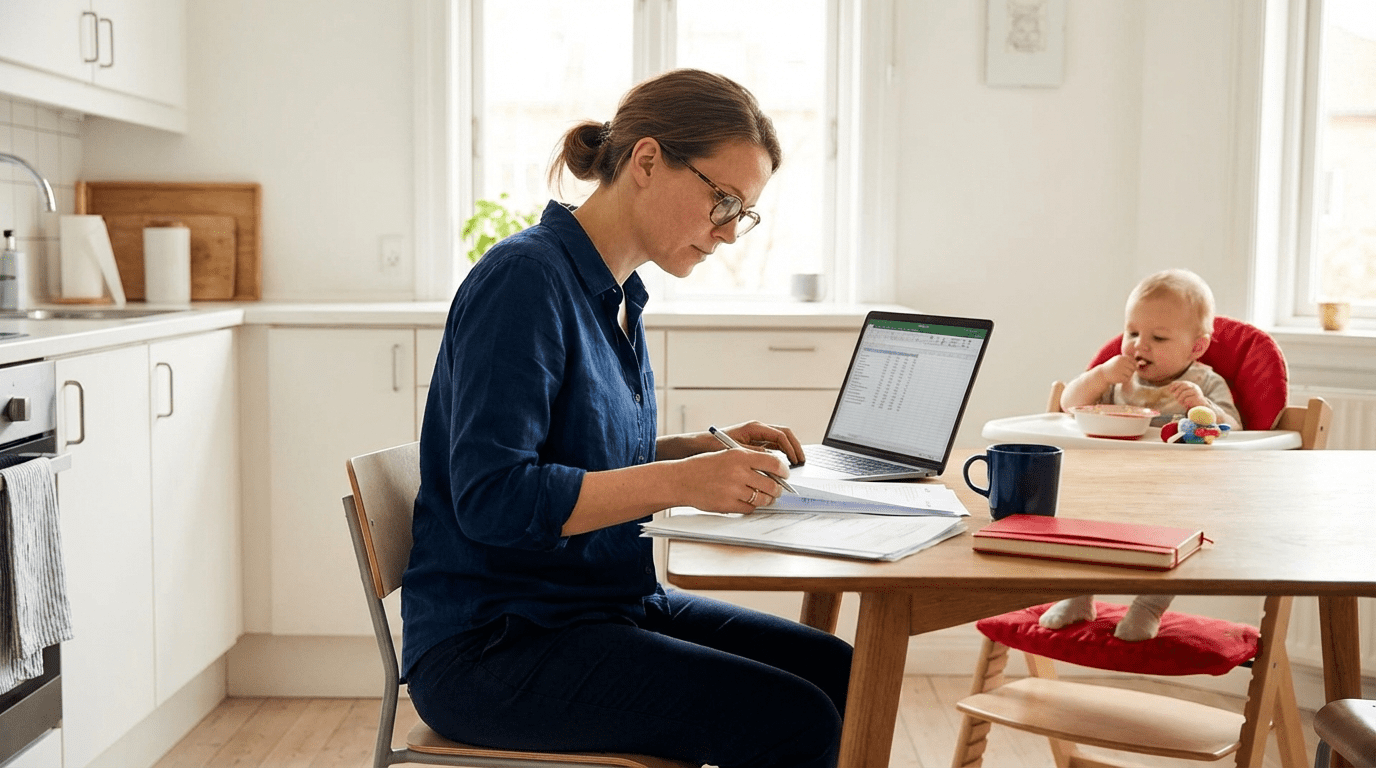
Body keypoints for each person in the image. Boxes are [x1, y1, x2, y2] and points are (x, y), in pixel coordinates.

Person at [403, 69, 853, 768]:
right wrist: (683, 481)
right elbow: (495, 498)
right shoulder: (525, 281)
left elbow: (580, 451)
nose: (731, 233)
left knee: (838, 673)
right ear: (647, 161)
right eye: (723, 201)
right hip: (496, 644)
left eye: (746, 211)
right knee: (794, 720)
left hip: (598, 606)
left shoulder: (617, 294)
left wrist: (697, 451)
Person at [1043, 268, 1239, 640]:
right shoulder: (1118, 379)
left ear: (1197, 347)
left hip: (1175, 493)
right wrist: (1101, 376)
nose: (1138, 346)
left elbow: (1236, 431)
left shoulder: (1206, 383)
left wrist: (1203, 406)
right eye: (1132, 333)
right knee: (1075, 523)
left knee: (1176, 539)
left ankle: (1148, 607)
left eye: (1158, 337)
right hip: (1113, 484)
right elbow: (1069, 404)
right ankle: (1079, 597)